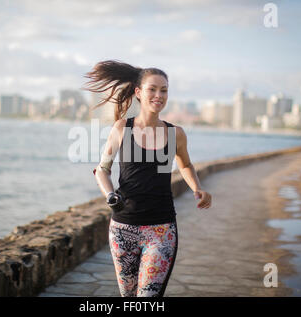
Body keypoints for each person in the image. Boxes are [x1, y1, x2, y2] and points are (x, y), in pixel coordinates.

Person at [83, 60, 212, 297]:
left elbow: (185, 164)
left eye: (164, 90)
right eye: (152, 89)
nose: (159, 95)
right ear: (139, 93)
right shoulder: (123, 128)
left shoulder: (175, 133)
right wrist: (110, 195)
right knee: (129, 297)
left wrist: (197, 187)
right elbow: (102, 169)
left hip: (161, 229)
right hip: (123, 228)